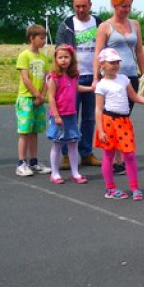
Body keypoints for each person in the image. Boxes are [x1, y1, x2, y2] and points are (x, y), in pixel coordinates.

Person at [94, 47, 144, 200]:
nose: (115, 65)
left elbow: (134, 97)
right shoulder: (101, 85)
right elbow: (98, 109)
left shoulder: (124, 79)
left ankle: (135, 188)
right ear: (102, 65)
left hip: (124, 121)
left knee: (130, 154)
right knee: (108, 154)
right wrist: (100, 130)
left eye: (117, 62)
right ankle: (110, 189)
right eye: (111, 62)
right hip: (108, 122)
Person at [55, 0, 103, 169]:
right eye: (77, 6)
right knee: (70, 116)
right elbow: (59, 50)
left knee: (89, 118)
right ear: (73, 6)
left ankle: (86, 152)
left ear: (90, 5)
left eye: (84, 6)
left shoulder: (98, 23)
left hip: (94, 76)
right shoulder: (66, 25)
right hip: (73, 77)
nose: (81, 9)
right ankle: (67, 154)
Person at [45, 44, 92, 184]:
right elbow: (51, 97)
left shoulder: (74, 75)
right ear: (56, 59)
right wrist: (56, 115)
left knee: (73, 143)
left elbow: (76, 88)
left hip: (71, 114)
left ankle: (75, 172)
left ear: (72, 58)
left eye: (66, 57)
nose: (63, 60)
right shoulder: (54, 77)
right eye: (60, 57)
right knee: (57, 144)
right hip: (58, 115)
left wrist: (90, 88)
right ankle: (55, 173)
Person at [14, 25, 52, 178]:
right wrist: (36, 94)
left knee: (35, 131)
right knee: (25, 131)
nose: (44, 41)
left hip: (39, 99)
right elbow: (25, 78)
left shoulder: (43, 57)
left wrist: (42, 95)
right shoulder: (24, 55)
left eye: (45, 38)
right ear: (32, 38)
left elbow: (46, 78)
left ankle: (34, 161)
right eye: (41, 38)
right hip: (26, 98)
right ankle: (21, 163)